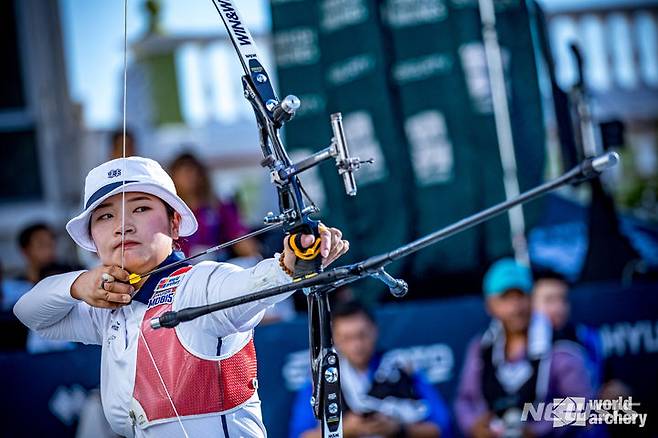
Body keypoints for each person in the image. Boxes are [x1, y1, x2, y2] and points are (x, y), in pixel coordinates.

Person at [14, 156, 349, 437]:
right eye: (105, 216)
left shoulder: (200, 282)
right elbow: (29, 312)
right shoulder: (109, 308)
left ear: (175, 225)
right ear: (92, 237)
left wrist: (290, 265)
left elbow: (248, 287)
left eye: (141, 208)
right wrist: (79, 285)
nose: (122, 226)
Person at [455, 259, 594, 438]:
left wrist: (536, 429)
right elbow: (464, 400)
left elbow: (582, 405)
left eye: (520, 296)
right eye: (505, 298)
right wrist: (475, 426)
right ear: (490, 305)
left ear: (531, 299)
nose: (515, 308)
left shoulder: (561, 347)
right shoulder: (481, 347)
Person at [289, 300, 451, 438]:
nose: (356, 345)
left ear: (375, 330)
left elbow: (440, 426)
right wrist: (344, 429)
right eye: (347, 338)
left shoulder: (401, 368)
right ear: (334, 338)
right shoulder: (320, 379)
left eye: (362, 335)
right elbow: (300, 435)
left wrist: (399, 428)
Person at [168, 152, 261, 261]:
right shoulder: (169, 211)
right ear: (173, 178)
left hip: (217, 267)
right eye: (183, 173)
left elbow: (240, 237)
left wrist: (256, 258)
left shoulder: (219, 206)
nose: (189, 177)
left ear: (202, 175)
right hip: (181, 269)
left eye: (192, 171)